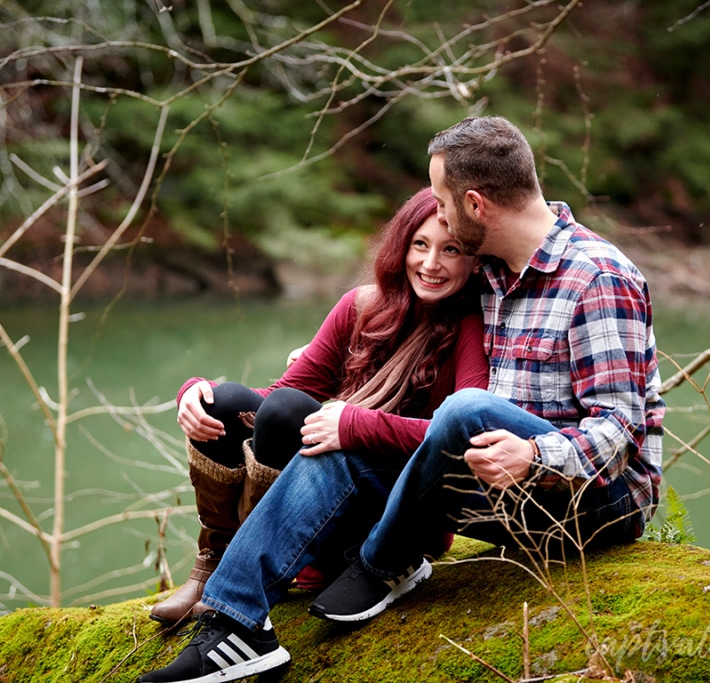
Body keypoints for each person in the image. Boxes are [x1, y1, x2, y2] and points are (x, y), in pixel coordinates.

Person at [137, 116, 664, 683]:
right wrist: (329, 363)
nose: (435, 215)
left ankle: (382, 562)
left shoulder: (596, 275)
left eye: (441, 199)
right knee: (330, 438)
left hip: (589, 502)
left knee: (462, 410)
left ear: (475, 204)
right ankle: (236, 626)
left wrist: (535, 456)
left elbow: (619, 430)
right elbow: (403, 309)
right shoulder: (488, 271)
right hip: (493, 484)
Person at [148, 186, 489, 628]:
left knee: (291, 410)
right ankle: (215, 561)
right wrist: (195, 392)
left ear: (475, 259)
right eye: (419, 245)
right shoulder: (363, 306)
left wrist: (356, 425)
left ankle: (288, 567)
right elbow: (279, 396)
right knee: (230, 402)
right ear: (400, 246)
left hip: (394, 511)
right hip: (332, 482)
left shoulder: (472, 327)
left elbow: (460, 435)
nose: (430, 263)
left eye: (452, 250)